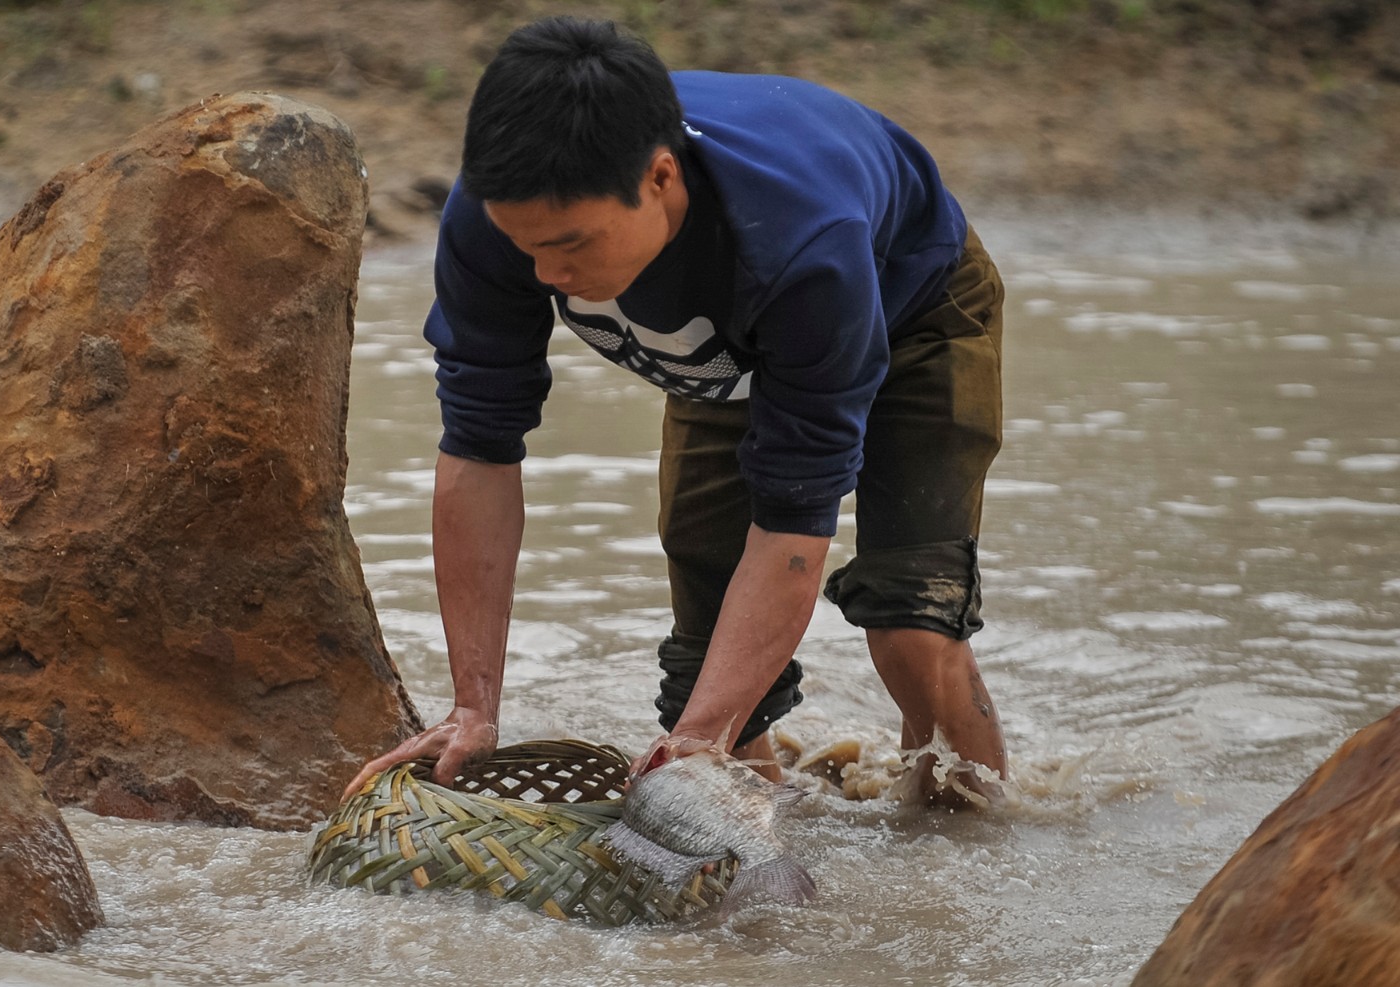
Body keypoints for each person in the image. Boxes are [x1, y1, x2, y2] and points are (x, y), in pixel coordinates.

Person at [345, 15, 1009, 805]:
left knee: (910, 624)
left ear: (661, 179)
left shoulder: (801, 246)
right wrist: (473, 706)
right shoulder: (492, 223)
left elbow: (795, 521)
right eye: (525, 247)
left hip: (915, 310)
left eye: (572, 245)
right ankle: (762, 862)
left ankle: (974, 848)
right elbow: (479, 449)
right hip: (727, 356)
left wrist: (697, 736)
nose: (546, 274)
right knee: (707, 683)